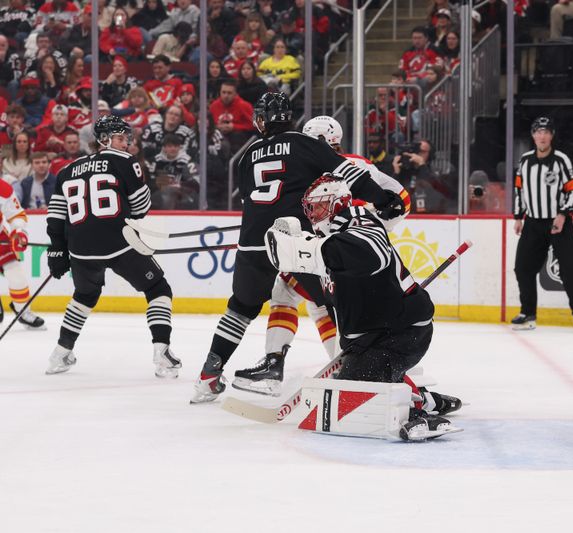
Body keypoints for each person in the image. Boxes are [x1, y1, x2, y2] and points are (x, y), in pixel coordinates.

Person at [189, 92, 402, 404]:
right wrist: (384, 200)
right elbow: (350, 174)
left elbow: (253, 198)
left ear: (262, 119)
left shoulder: (248, 154)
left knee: (241, 307)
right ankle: (358, 370)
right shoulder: (305, 144)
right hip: (296, 242)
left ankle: (209, 376)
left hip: (253, 242)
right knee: (335, 302)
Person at [263, 176, 460, 440]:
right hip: (374, 336)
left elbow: (371, 254)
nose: (312, 214)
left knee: (351, 395)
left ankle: (417, 416)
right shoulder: (329, 237)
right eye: (310, 208)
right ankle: (426, 399)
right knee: (348, 388)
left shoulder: (360, 221)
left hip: (402, 333)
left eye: (318, 207)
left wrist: (308, 249)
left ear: (338, 204)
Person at [44, 115, 181, 378]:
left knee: (84, 296)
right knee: (157, 288)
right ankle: (162, 352)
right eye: (120, 138)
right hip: (118, 243)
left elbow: (56, 217)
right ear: (104, 140)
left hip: (80, 249)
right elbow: (141, 208)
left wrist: (57, 249)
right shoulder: (125, 161)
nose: (126, 144)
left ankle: (60, 353)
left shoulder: (66, 170)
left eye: (127, 139)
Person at [511, 116, 573, 331]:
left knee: (569, 269)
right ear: (533, 135)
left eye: (546, 132)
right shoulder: (525, 161)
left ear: (551, 135)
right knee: (523, 268)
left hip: (558, 222)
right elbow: (519, 190)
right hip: (533, 222)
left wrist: (563, 214)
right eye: (538, 132)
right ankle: (528, 314)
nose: (542, 136)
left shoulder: (561, 160)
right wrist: (518, 217)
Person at [0, 179, 46, 329]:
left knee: (17, 276)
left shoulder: (3, 188)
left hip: (1, 238)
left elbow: (17, 215)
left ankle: (23, 310)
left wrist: (19, 232)